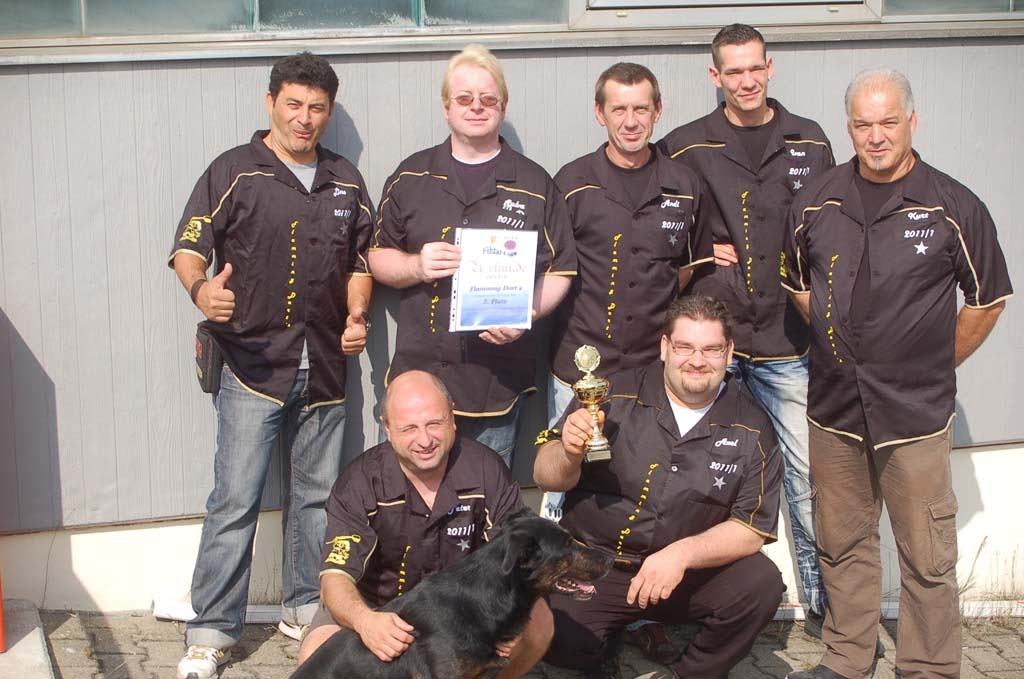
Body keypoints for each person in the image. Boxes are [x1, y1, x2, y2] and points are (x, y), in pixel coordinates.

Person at [781, 69, 1012, 679]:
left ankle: (928, 667)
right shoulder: (815, 202)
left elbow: (987, 300)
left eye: (888, 122)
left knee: (927, 555)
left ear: (912, 121)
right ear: (849, 126)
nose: (876, 136)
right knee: (842, 542)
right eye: (863, 124)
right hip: (834, 411)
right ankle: (847, 658)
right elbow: (799, 287)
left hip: (915, 414)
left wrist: (931, 361)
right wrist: (841, 345)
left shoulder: (954, 206)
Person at [169, 52, 373, 679]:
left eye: (317, 108)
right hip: (251, 366)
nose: (304, 117)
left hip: (327, 370)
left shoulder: (345, 180)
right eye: (294, 104)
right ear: (271, 103)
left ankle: (306, 608)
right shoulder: (234, 171)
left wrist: (358, 314)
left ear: (328, 112)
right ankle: (211, 630)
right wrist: (201, 291)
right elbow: (188, 245)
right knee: (235, 501)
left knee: (316, 501)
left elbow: (360, 260)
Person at [659, 23, 833, 634]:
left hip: (788, 340)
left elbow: (827, 230)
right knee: (696, 474)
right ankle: (686, 605)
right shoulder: (684, 146)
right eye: (733, 71)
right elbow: (660, 225)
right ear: (716, 76)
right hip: (716, 341)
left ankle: (823, 605)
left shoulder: (809, 140)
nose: (747, 80)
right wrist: (700, 251)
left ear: (770, 66)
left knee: (808, 475)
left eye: (755, 67)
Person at [542, 61, 713, 664]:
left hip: (650, 373)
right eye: (619, 108)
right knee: (565, 487)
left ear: (657, 112)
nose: (631, 120)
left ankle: (640, 614)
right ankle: (562, 611)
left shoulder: (684, 184)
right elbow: (554, 268)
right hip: (579, 366)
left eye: (642, 108)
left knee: (645, 492)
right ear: (600, 113)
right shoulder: (571, 183)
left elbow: (688, 270)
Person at [535, 294, 784, 679]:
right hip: (600, 566)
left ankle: (692, 672)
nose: (697, 360)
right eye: (685, 347)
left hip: (686, 577)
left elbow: (752, 528)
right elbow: (544, 475)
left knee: (761, 585)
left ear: (729, 352)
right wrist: (568, 453)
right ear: (665, 347)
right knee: (554, 635)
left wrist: (681, 554)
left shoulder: (753, 426)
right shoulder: (610, 395)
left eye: (711, 349)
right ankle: (606, 644)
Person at [368, 43, 576, 467]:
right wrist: (415, 265)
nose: (476, 107)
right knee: (410, 493)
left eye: (488, 99)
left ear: (503, 106)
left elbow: (562, 269)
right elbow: (375, 257)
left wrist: (525, 313)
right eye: (464, 98)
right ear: (446, 107)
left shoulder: (535, 184)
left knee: (485, 494)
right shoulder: (410, 176)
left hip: (494, 380)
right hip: (419, 376)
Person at [296, 370, 552, 678]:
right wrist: (365, 621)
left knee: (539, 621)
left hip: (461, 610)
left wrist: (509, 618)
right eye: (409, 428)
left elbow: (521, 556)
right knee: (317, 647)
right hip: (377, 607)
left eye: (434, 423)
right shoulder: (358, 482)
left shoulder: (487, 469)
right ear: (387, 428)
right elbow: (334, 580)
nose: (425, 440)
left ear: (452, 418)